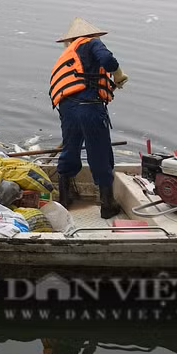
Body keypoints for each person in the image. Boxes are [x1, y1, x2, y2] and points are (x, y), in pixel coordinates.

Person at [48, 17, 129, 218]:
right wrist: (118, 75)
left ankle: (65, 198)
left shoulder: (70, 52)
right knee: (100, 152)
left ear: (69, 39)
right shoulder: (92, 42)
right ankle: (107, 205)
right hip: (90, 108)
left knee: (70, 148)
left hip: (67, 108)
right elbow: (108, 61)